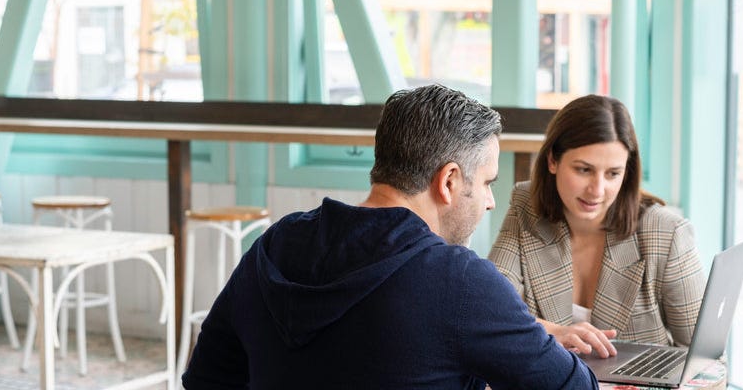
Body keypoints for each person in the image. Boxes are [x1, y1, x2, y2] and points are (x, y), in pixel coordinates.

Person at [182, 85, 598, 389]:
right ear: (449, 181)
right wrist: (527, 336)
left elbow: (206, 379)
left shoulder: (274, 245)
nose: (490, 201)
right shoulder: (459, 281)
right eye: (487, 182)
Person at [488, 94, 705, 359]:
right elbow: (489, 311)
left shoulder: (667, 233)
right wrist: (554, 331)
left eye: (613, 173)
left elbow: (705, 361)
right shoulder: (527, 206)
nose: (597, 190)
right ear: (552, 160)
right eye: (583, 170)